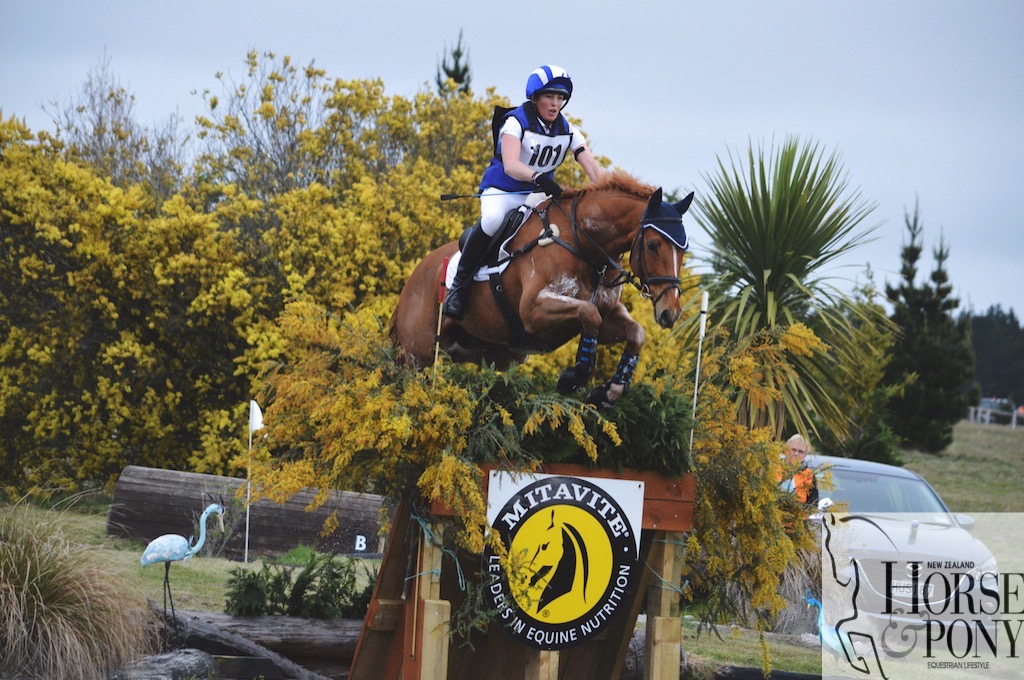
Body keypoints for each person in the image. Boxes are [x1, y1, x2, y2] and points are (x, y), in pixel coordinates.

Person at [443, 64, 607, 320]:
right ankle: (458, 287)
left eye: (560, 98)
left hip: (539, 196)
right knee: (493, 220)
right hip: (504, 190)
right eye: (550, 97)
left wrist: (612, 191)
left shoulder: (569, 131)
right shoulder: (515, 122)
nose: (555, 104)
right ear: (536, 98)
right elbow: (510, 165)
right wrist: (538, 177)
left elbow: (595, 171)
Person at [781, 434, 819, 505]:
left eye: (800, 451)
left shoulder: (809, 475)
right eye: (793, 449)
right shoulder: (773, 467)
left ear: (805, 455)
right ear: (786, 450)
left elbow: (813, 505)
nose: (796, 453)